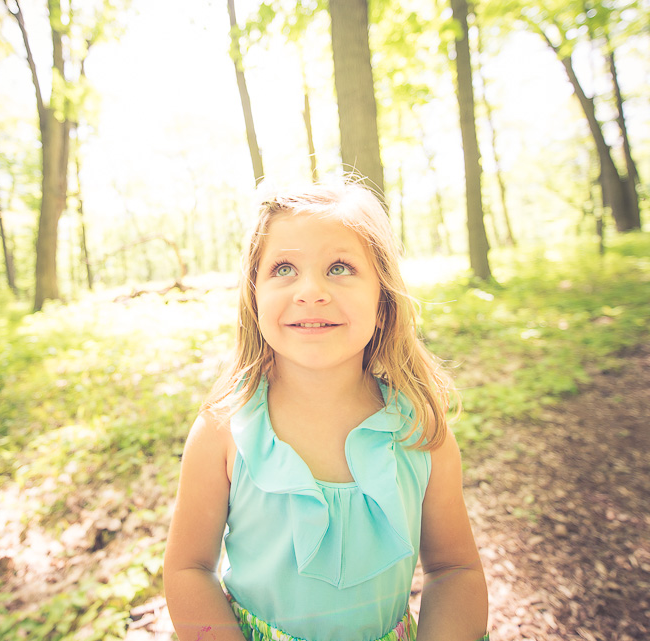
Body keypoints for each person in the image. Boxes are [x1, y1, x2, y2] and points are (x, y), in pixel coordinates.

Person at [164, 179, 489, 641]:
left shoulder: (419, 431)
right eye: (283, 269)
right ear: (253, 298)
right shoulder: (224, 430)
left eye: (339, 267)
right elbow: (188, 569)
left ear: (383, 302)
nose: (310, 291)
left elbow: (455, 568)